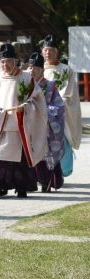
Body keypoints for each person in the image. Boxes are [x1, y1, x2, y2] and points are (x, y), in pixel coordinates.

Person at [0, 43, 47, 198]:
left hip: (20, 123)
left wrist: (25, 107)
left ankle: (22, 186)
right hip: (2, 123)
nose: (5, 65)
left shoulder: (26, 77)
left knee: (20, 157)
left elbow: (37, 99)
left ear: (15, 61)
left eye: (9, 61)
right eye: (3, 61)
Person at [41, 35, 81, 178]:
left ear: (57, 51)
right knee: (43, 142)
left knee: (62, 139)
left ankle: (63, 170)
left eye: (51, 50)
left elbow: (69, 93)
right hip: (41, 112)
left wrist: (56, 106)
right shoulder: (37, 69)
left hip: (60, 112)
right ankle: (45, 172)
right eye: (45, 50)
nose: (48, 53)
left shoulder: (66, 70)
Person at [27, 51, 65, 192]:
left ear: (42, 70)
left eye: (36, 68)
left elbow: (58, 107)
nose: (32, 71)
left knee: (45, 155)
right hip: (28, 125)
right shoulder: (24, 84)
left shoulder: (50, 86)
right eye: (30, 68)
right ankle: (29, 182)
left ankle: (47, 182)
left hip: (45, 126)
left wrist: (41, 110)